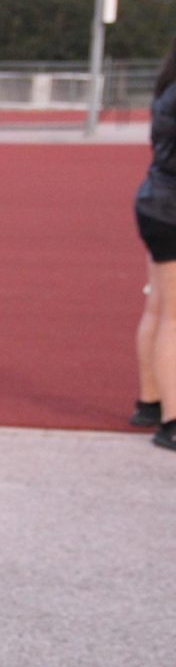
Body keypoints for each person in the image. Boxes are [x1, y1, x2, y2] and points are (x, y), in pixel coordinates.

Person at [131, 36, 176, 452]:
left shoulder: (167, 86)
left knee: (159, 307)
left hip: (156, 201)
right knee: (173, 318)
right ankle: (171, 421)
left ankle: (150, 401)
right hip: (171, 206)